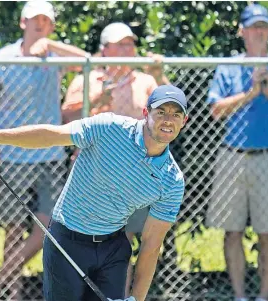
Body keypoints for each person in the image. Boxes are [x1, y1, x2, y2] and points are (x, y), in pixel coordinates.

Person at [0, 84, 188, 301]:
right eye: (161, 112)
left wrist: (136, 299)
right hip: (67, 240)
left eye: (176, 115)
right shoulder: (109, 128)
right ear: (146, 113)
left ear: (184, 121)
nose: (168, 120)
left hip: (112, 249)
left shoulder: (172, 180)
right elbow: (50, 135)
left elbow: (151, 244)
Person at [0, 1, 89, 299]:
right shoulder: (2, 58)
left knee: (47, 228)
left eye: (47, 21)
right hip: (12, 154)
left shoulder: (55, 55)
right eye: (35, 20)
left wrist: (52, 45)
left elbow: (88, 62)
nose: (41, 25)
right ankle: (11, 294)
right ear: (23, 23)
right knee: (12, 230)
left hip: (50, 155)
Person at [62, 22, 173, 297]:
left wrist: (160, 76)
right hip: (91, 180)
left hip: (135, 180)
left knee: (124, 243)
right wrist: (100, 99)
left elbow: (174, 116)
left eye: (130, 44)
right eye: (120, 44)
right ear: (105, 49)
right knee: (84, 242)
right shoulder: (85, 79)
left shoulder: (147, 82)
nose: (128, 49)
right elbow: (66, 122)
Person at [205, 4, 268, 301]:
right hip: (232, 157)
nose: (259, 32)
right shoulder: (230, 66)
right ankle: (239, 297)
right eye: (253, 27)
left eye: (264, 26)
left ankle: (262, 297)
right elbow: (216, 111)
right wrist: (250, 93)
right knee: (231, 232)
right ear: (242, 31)